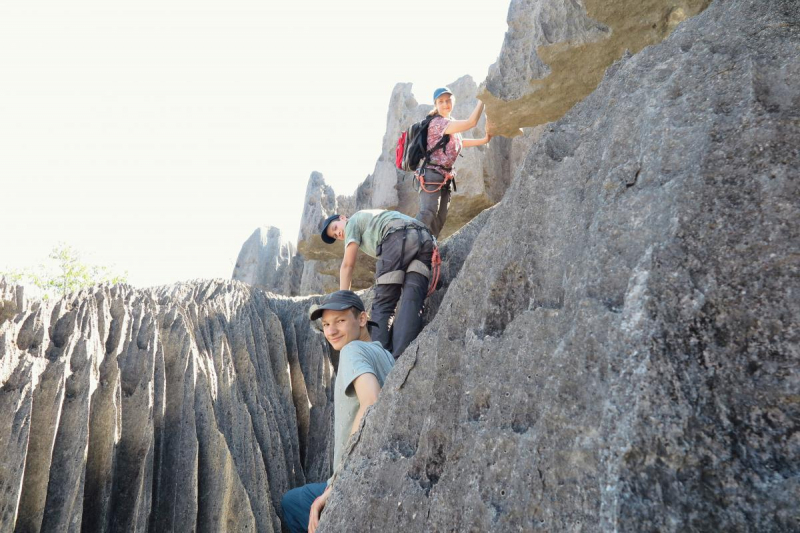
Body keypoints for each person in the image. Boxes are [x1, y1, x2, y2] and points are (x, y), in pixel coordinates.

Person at [280, 290, 394, 533]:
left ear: (362, 319)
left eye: (340, 321)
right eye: (326, 324)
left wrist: (336, 484)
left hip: (354, 475)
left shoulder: (352, 351)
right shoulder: (386, 356)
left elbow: (371, 402)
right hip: (382, 469)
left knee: (292, 503)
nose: (331, 331)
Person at [320, 209, 434, 358]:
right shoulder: (372, 216)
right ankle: (402, 356)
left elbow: (347, 265)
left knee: (383, 303)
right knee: (412, 300)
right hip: (425, 238)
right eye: (335, 236)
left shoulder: (352, 222)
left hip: (398, 236)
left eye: (335, 228)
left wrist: (343, 300)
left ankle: (382, 360)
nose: (339, 234)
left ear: (342, 218)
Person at [416, 86, 492, 238]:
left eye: (448, 100)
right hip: (431, 175)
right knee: (428, 214)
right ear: (436, 105)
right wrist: (483, 99)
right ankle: (408, 245)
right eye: (441, 101)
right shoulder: (438, 123)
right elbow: (472, 122)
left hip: (445, 178)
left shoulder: (450, 123)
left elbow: (460, 142)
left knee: (439, 219)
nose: (445, 104)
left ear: (453, 101)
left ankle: (427, 252)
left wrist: (484, 140)